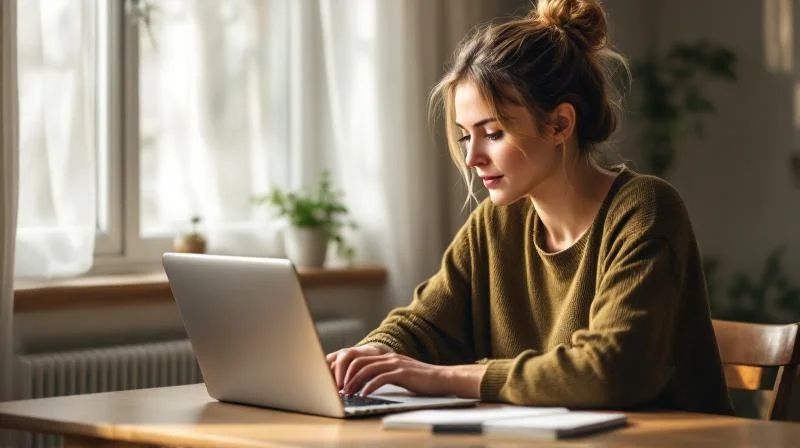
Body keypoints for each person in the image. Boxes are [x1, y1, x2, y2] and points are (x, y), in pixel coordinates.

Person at [326, 0, 734, 415]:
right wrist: (368, 357)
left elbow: (610, 370)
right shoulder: (496, 222)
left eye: (493, 133)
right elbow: (425, 323)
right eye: (466, 136)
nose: (472, 158)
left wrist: (439, 376)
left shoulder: (644, 209)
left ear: (560, 125)